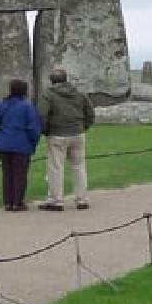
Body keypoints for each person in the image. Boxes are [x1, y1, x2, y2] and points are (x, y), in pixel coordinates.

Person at [37, 68, 95, 211]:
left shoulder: (48, 94)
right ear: (66, 79)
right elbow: (90, 113)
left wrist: (45, 131)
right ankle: (82, 199)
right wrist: (83, 127)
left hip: (57, 133)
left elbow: (42, 115)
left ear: (52, 80)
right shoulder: (79, 94)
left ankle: (56, 200)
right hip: (77, 133)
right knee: (79, 166)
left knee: (55, 167)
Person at [0, 79, 41, 212]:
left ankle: (8, 201)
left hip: (4, 142)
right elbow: (34, 128)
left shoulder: (2, 104)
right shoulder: (27, 106)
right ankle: (17, 202)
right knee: (20, 173)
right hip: (22, 143)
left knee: (7, 173)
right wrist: (33, 142)